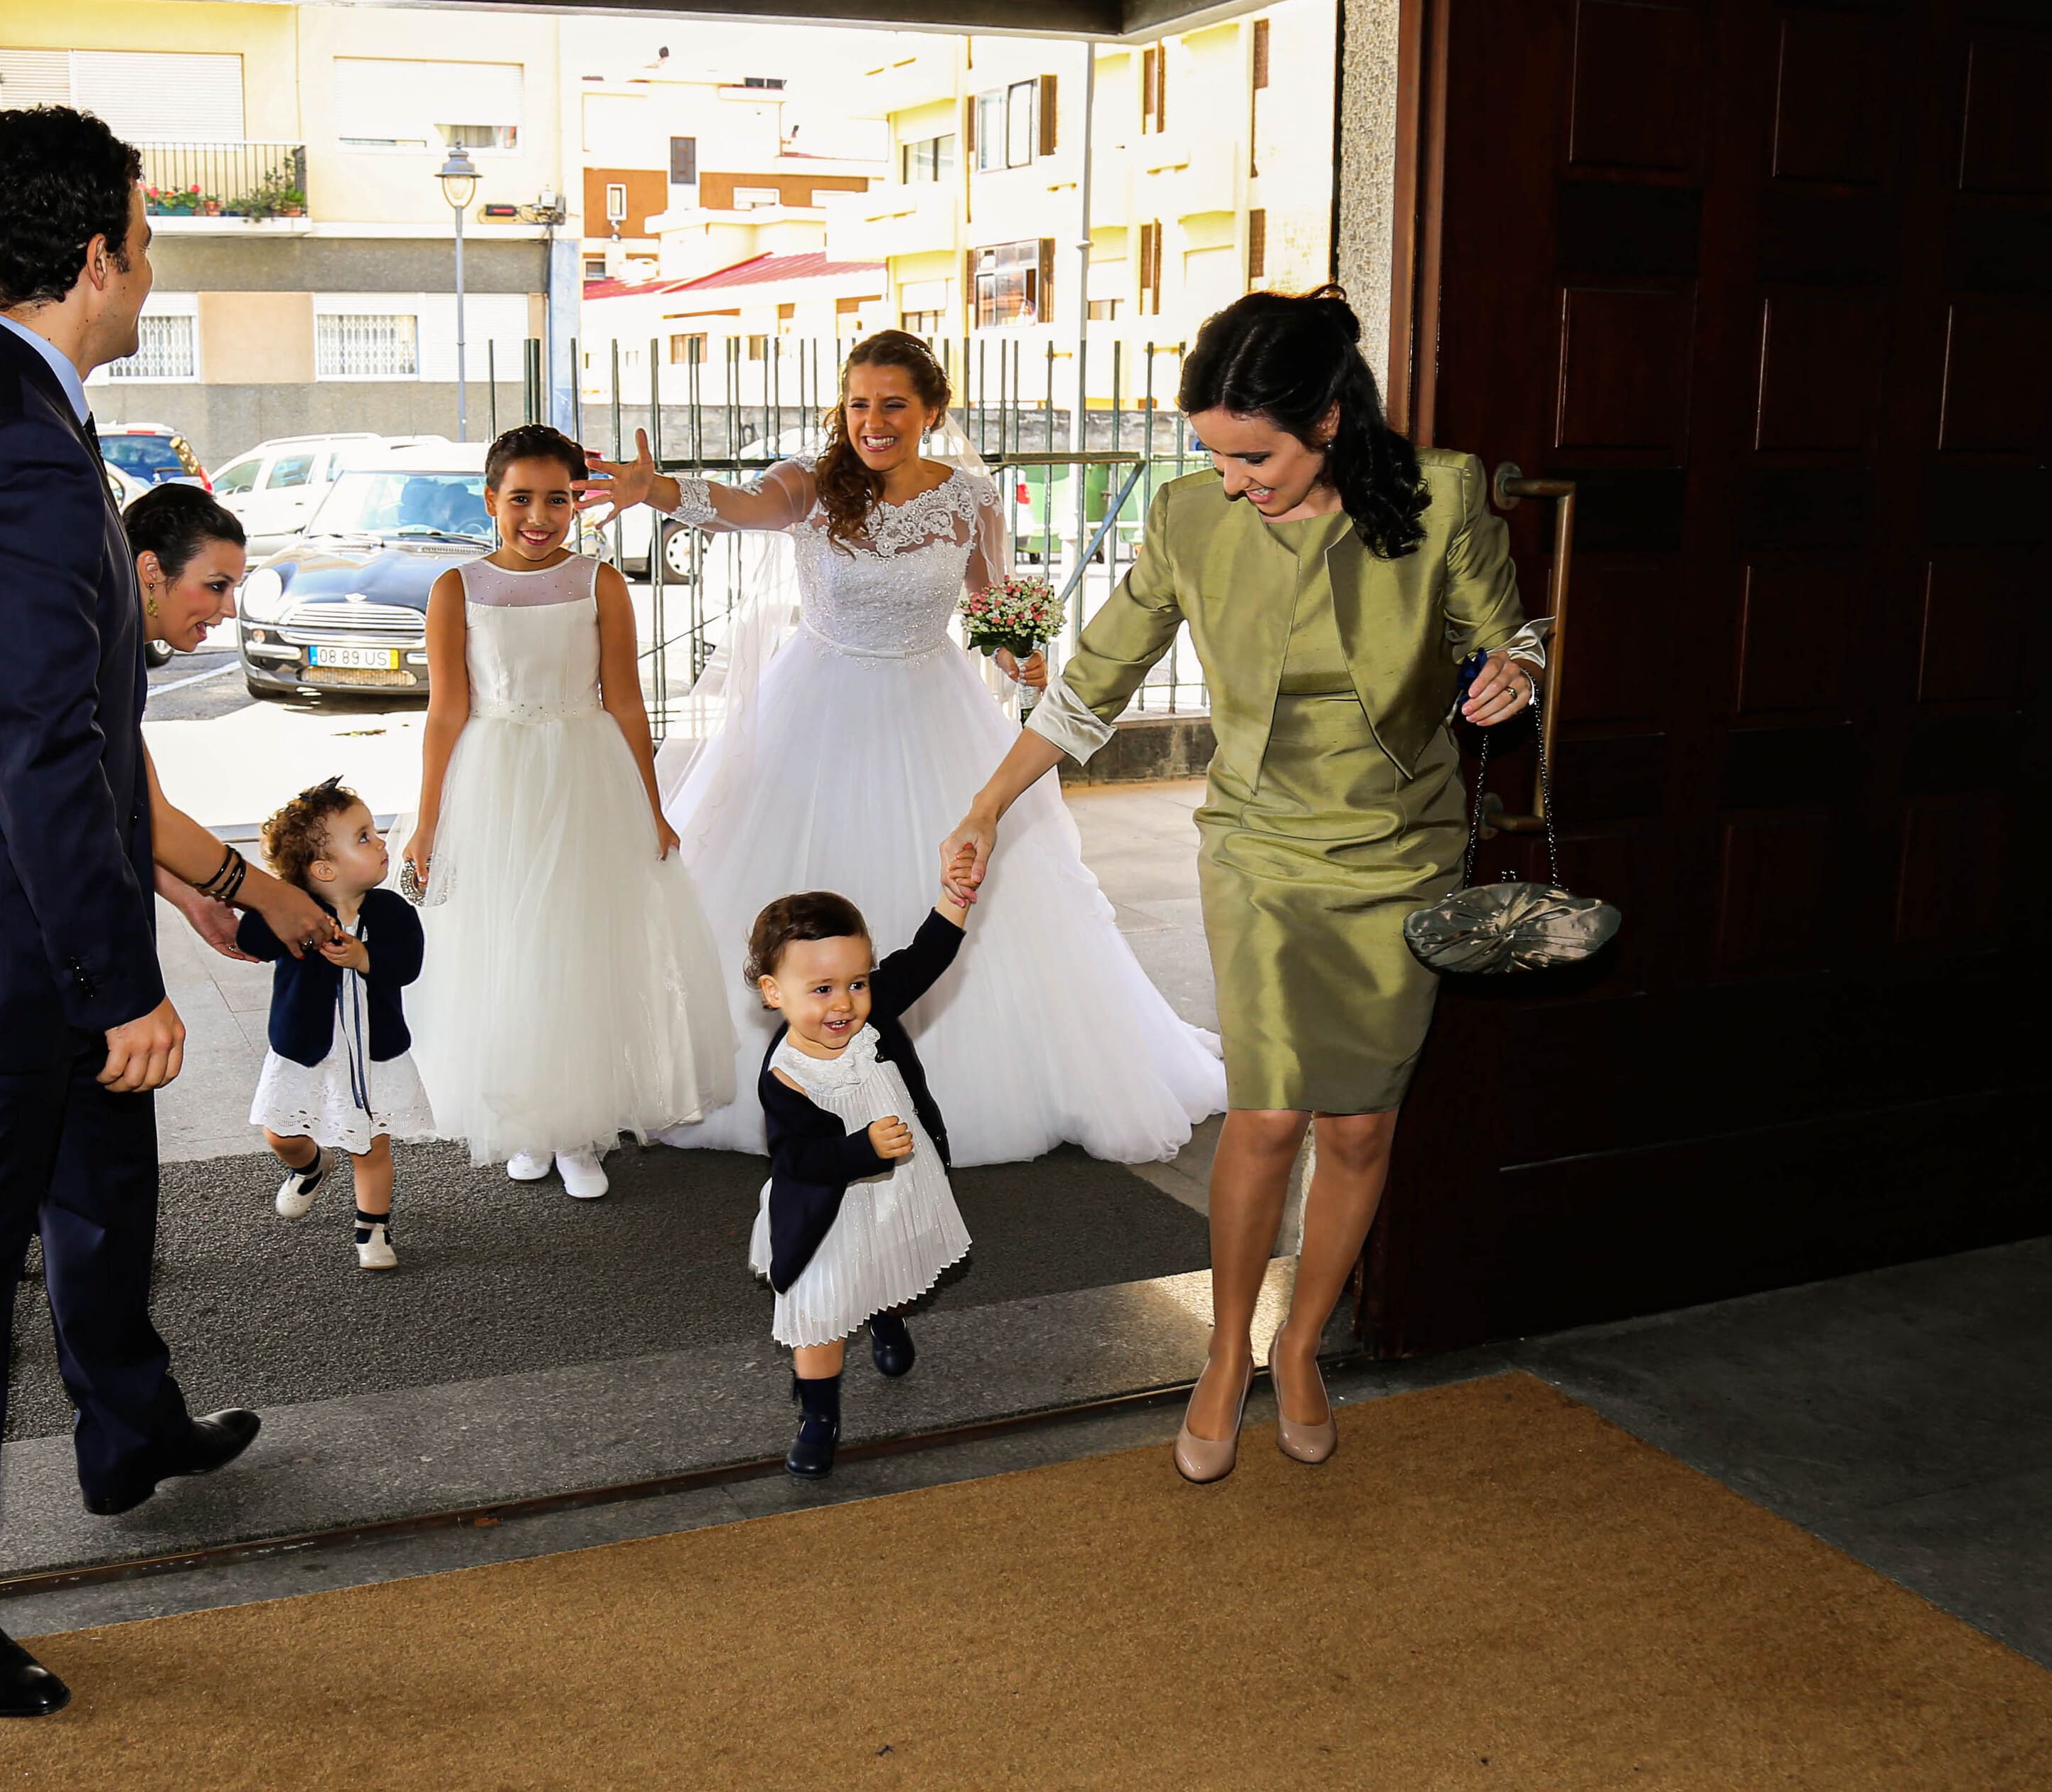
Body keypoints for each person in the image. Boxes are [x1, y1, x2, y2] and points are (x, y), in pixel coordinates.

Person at [0, 107, 332, 1719]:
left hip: (6, 904)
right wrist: (118, 985)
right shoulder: (21, 441)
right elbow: (40, 738)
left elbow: (66, 714)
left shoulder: (10, 404)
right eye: (146, 238)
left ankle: (128, 1423)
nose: (150, 263)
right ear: (95, 255)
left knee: (103, 1170)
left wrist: (197, 894)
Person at [944, 286, 1550, 1484]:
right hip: (1262, 850)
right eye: (1212, 454)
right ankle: (1225, 1355)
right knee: (1269, 1114)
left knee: (1362, 1123)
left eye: (1254, 454)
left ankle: (1304, 1346)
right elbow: (1094, 681)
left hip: (1400, 850)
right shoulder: (1189, 517)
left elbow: (1506, 630)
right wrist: (984, 803)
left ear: (1330, 417)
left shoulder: (1442, 494)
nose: (1230, 479)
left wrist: (1515, 671)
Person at [584, 330, 1227, 1169]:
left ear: (930, 411)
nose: (873, 421)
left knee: (964, 882)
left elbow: (991, 608)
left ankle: (967, 1080)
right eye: (858, 404)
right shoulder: (809, 487)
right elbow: (740, 507)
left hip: (933, 705)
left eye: (892, 404)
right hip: (816, 704)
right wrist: (659, 491)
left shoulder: (967, 500)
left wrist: (1018, 654)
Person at [403, 423, 736, 1198]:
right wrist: (428, 822)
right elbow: (446, 712)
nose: (539, 516)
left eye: (557, 498)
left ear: (577, 503)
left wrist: (651, 808)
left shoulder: (600, 583)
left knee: (581, 946)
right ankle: (529, 1119)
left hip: (586, 777)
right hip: (495, 780)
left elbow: (624, 700)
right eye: (520, 498)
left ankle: (582, 1127)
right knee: (511, 950)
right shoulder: (457, 587)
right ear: (490, 501)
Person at [747, 879, 976, 1479]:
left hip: (896, 1183)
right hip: (827, 1209)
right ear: (774, 992)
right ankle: (818, 1416)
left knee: (892, 1255)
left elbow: (924, 958)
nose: (844, 1003)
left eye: (857, 982)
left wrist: (955, 897)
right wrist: (861, 1151)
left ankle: (886, 1313)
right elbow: (797, 1159)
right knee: (820, 1309)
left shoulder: (869, 1016)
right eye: (821, 989)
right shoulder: (787, 1075)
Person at [244, 777, 428, 1270]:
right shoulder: (295, 912)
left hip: (371, 1053)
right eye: (364, 837)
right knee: (279, 1132)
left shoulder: (390, 910)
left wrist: (366, 956)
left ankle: (373, 1230)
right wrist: (261, 902)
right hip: (304, 1048)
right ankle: (310, 1165)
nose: (382, 840)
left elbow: (407, 964)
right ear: (324, 869)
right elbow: (253, 940)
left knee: (368, 1146)